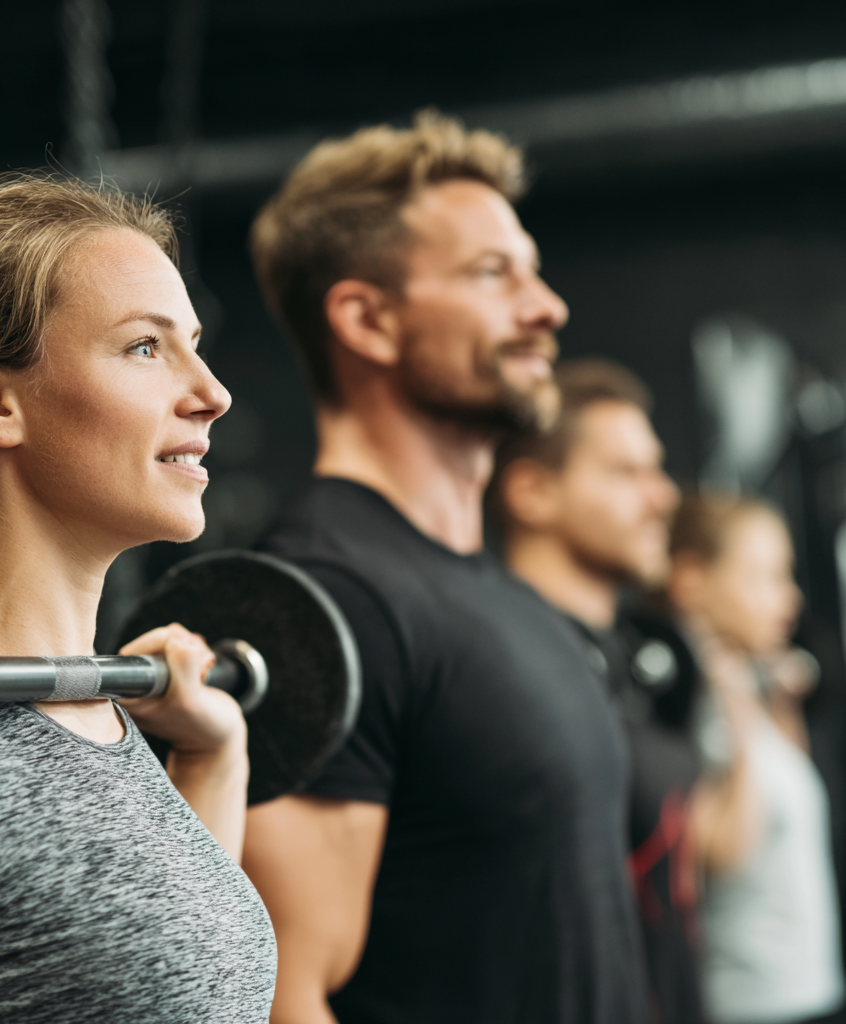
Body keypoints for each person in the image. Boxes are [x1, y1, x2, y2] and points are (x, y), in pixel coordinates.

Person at [0, 175, 277, 1024]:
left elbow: (185, 987)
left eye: (194, 344)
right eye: (146, 347)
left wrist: (216, 758)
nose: (210, 391)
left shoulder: (102, 718)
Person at [240, 112, 651, 1023]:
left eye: (533, 270)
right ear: (367, 320)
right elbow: (283, 994)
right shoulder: (322, 598)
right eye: (492, 274)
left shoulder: (496, 591)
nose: (547, 306)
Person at [494, 359, 703, 1024]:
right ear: (533, 492)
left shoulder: (630, 659)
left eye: (657, 469)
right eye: (626, 473)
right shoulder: (504, 671)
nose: (663, 496)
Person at [667, 494, 845, 1024]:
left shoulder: (751, 689)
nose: (788, 601)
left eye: (786, 577)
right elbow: (722, 853)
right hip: (754, 1007)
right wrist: (737, 706)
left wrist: (772, 702)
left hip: (813, 990)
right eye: (764, 578)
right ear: (693, 580)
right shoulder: (691, 708)